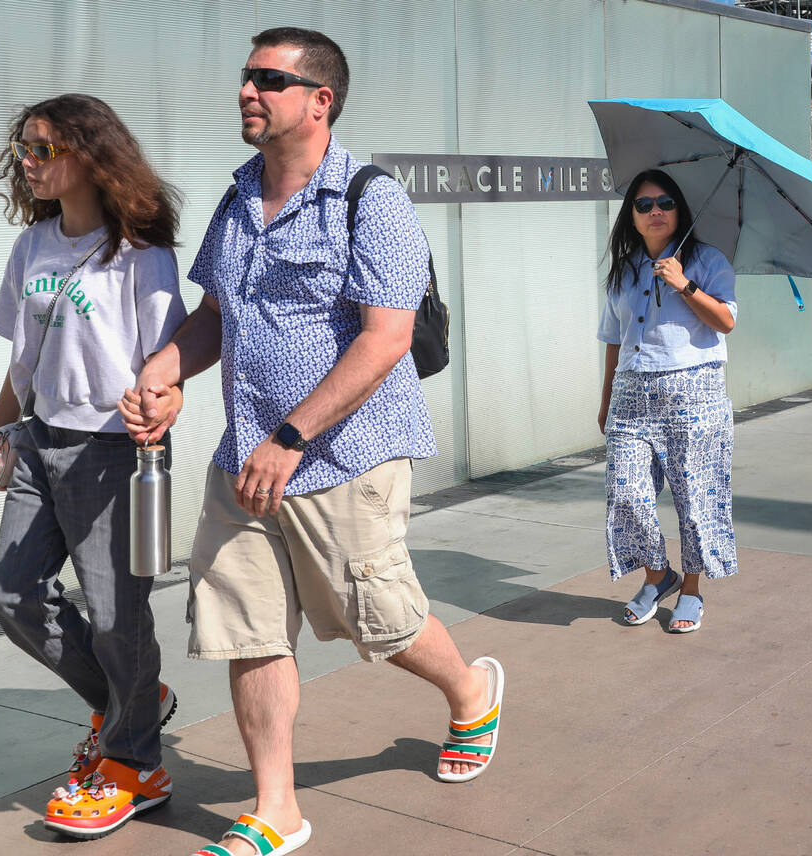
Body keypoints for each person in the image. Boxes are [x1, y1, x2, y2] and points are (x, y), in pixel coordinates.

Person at [121, 27, 505, 856]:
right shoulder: (234, 199)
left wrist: (292, 435)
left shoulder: (372, 199)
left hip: (343, 455)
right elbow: (215, 316)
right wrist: (166, 370)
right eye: (246, 77)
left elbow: (387, 339)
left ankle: (471, 689)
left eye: (267, 79)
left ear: (319, 100)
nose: (246, 92)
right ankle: (276, 810)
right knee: (248, 627)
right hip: (245, 461)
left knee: (381, 620)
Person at [0, 94, 187, 839]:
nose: (27, 162)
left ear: (89, 156)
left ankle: (137, 761)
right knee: (13, 594)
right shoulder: (32, 248)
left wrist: (162, 413)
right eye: (24, 149)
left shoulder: (141, 253)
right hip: (40, 442)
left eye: (43, 149)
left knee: (115, 614)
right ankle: (132, 698)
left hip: (112, 450)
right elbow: (22, 358)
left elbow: (168, 363)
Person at [596, 169, 739, 634]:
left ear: (679, 210)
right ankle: (659, 578)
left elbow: (725, 322)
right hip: (631, 396)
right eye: (643, 205)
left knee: (696, 501)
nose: (654, 211)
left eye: (664, 203)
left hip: (694, 393)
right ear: (632, 217)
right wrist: (606, 399)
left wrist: (683, 283)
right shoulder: (624, 267)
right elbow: (613, 339)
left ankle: (692, 593)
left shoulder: (707, 261)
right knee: (626, 496)